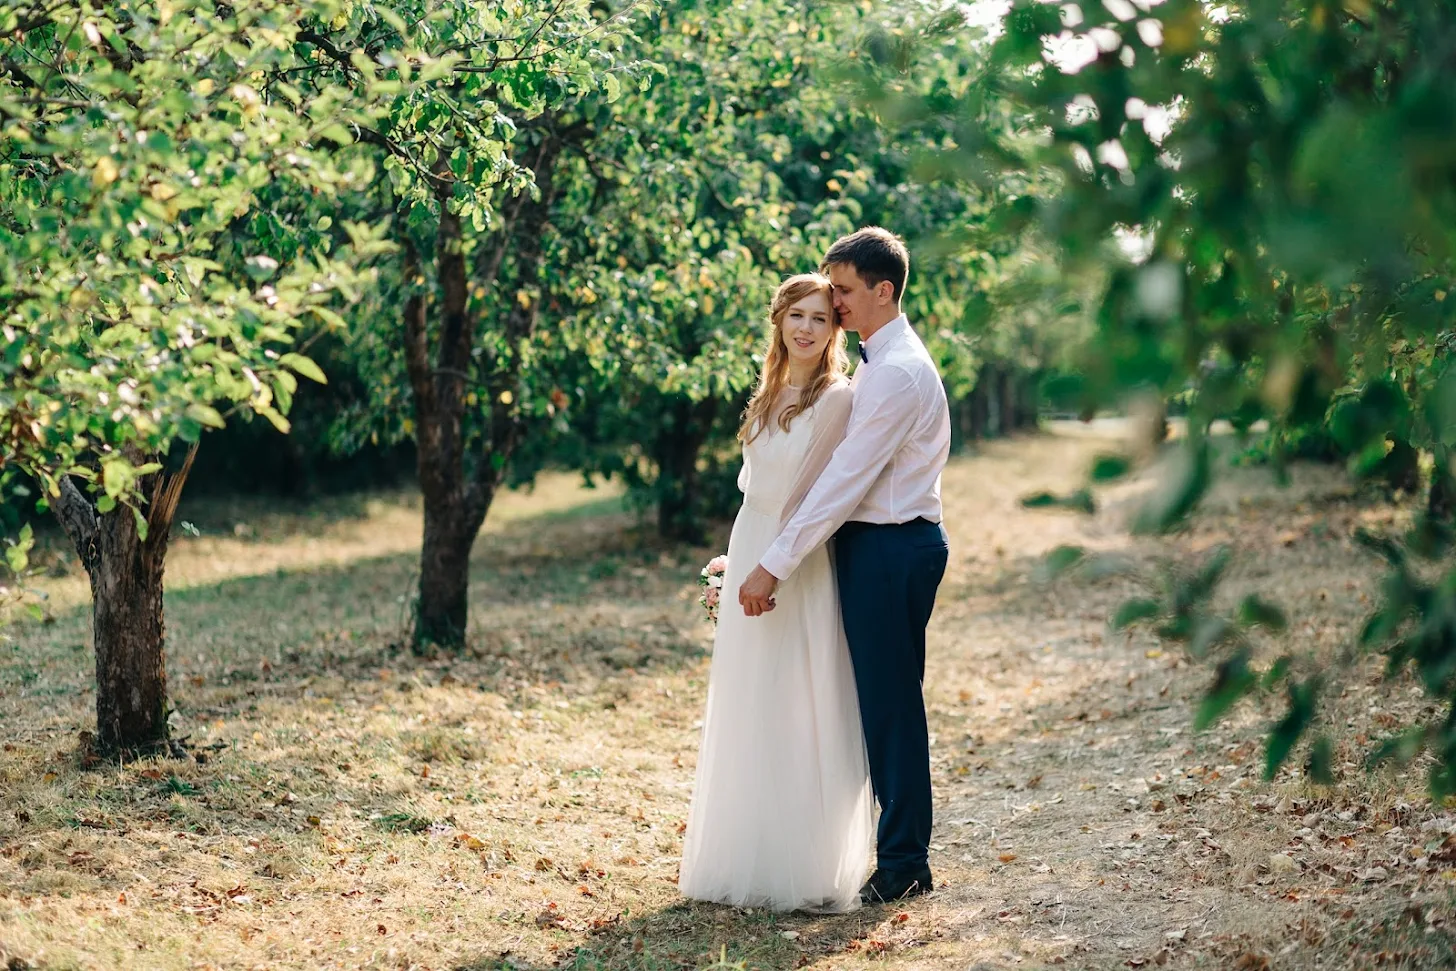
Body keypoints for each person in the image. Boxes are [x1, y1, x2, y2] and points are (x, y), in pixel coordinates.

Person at [738, 227, 952, 904]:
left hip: (891, 547)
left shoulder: (895, 373)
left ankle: (904, 864)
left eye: (845, 290)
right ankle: (892, 850)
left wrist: (773, 563)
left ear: (883, 291)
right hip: (879, 545)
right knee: (879, 704)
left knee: (889, 707)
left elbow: (842, 484)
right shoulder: (875, 359)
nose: (833, 302)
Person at [678, 273, 873, 913]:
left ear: (836, 329)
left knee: (798, 701)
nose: (808, 328)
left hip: (797, 558)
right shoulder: (767, 394)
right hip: (754, 545)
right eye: (798, 315)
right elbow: (759, 490)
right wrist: (737, 558)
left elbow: (814, 499)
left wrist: (771, 566)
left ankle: (803, 864)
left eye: (821, 318)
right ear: (779, 320)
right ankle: (748, 853)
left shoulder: (836, 399)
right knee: (751, 699)